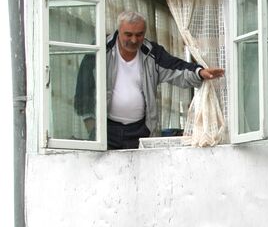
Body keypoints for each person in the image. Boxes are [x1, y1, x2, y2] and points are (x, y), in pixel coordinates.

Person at [74, 11, 224, 150]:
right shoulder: (101, 50)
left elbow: (177, 69)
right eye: (128, 34)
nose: (134, 40)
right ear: (118, 31)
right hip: (106, 130)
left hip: (140, 130)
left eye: (139, 35)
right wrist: (92, 125)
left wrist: (199, 72)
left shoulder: (152, 52)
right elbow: (84, 87)